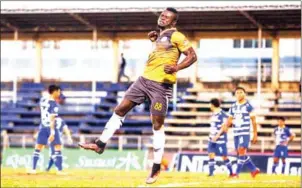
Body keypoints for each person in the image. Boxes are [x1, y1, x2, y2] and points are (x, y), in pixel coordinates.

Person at [78, 7, 197, 184]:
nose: (163, 18)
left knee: (157, 124)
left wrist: (177, 67)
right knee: (120, 109)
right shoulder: (160, 36)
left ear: (174, 22)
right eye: (162, 15)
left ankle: (156, 168)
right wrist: (154, 41)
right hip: (143, 81)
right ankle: (100, 144)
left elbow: (193, 56)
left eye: (167, 17)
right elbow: (162, 54)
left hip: (160, 86)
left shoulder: (177, 35)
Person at [27, 85, 65, 175]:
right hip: (51, 127)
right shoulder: (54, 104)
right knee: (58, 147)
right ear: (54, 91)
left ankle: (33, 170)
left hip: (43, 126)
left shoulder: (43, 100)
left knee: (38, 148)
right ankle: (59, 171)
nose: (59, 94)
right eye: (59, 91)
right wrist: (52, 132)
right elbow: (52, 119)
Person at [223, 87, 260, 178]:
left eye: (241, 92)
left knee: (241, 150)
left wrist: (255, 134)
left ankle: (236, 173)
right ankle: (254, 170)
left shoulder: (248, 106)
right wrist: (225, 126)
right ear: (235, 95)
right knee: (240, 153)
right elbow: (230, 119)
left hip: (244, 132)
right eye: (237, 93)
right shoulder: (233, 106)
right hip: (236, 132)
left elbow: (254, 121)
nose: (239, 94)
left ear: (245, 94)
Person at [208, 98, 234, 177]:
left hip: (220, 140)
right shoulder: (213, 114)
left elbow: (225, 126)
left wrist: (217, 136)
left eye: (210, 104)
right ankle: (211, 173)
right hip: (211, 138)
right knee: (211, 154)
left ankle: (231, 173)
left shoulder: (222, 114)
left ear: (212, 105)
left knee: (224, 156)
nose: (209, 106)